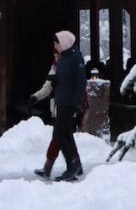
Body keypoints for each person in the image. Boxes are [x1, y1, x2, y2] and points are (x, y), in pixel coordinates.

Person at [51, 30, 87, 182]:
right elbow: (64, 77)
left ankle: (72, 165)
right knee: (65, 134)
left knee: (59, 134)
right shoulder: (64, 58)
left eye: (56, 42)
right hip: (62, 100)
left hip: (69, 102)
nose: (54, 46)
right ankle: (75, 164)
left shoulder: (75, 58)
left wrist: (76, 103)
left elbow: (80, 82)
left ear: (64, 43)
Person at [30, 48, 60, 178]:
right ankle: (75, 166)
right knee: (65, 139)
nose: (56, 57)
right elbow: (47, 87)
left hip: (66, 106)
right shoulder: (54, 67)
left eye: (57, 54)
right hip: (56, 106)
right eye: (54, 55)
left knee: (59, 137)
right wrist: (35, 97)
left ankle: (48, 167)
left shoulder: (68, 66)